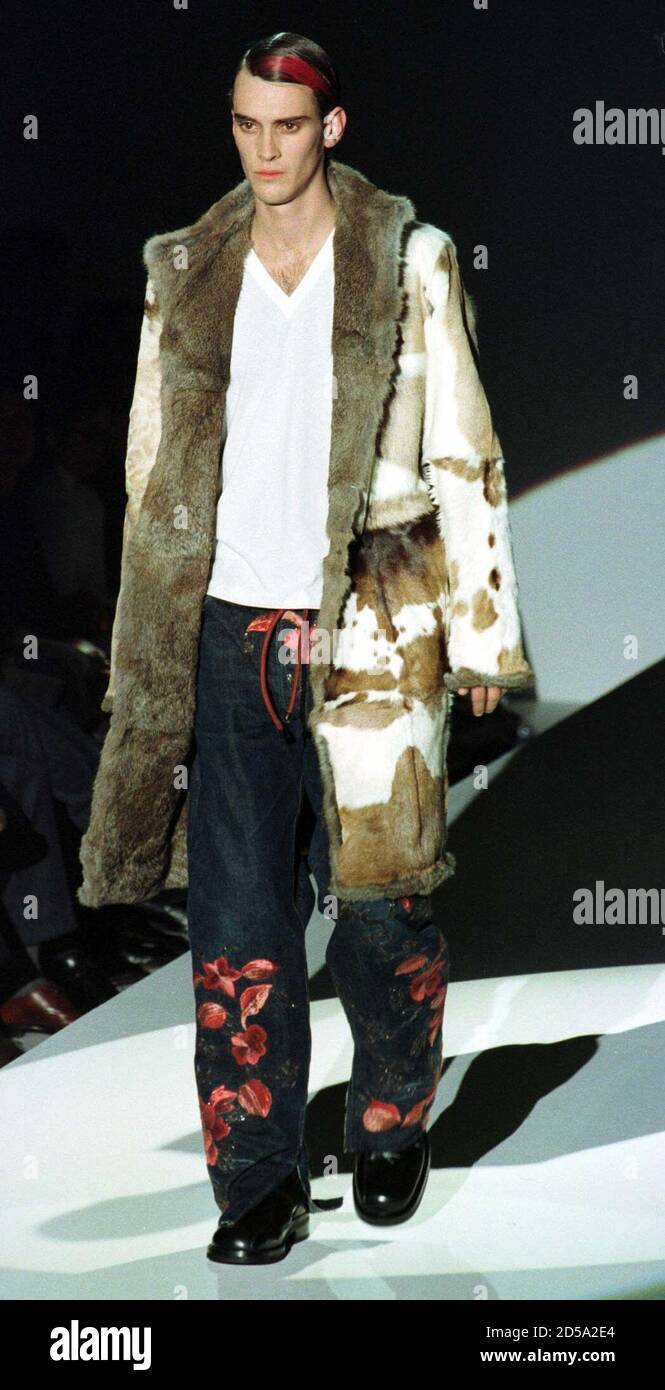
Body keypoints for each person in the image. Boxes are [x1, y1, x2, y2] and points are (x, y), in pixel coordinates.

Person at [78, 31, 536, 1265]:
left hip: (375, 620)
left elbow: (463, 446)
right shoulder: (188, 270)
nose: (263, 148)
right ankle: (257, 1179)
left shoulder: (407, 257)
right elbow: (148, 464)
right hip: (231, 627)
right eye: (244, 124)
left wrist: (484, 627)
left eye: (286, 126)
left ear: (328, 129)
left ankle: (388, 1120)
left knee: (381, 911)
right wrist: (143, 642)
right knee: (235, 928)